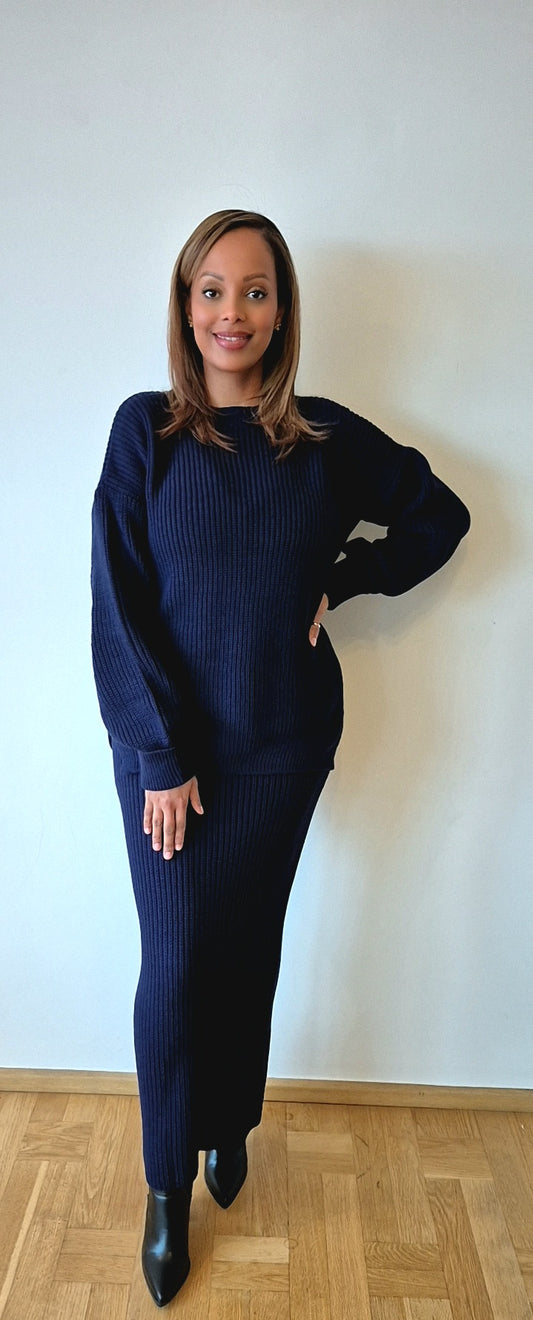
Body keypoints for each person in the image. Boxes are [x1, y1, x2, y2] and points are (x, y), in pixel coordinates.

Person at [90, 209, 470, 1307]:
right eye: (211, 290)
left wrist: (340, 581)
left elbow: (435, 519)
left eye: (253, 291)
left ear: (281, 308)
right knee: (174, 970)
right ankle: (167, 1188)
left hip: (281, 747)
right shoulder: (143, 433)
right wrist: (159, 754)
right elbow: (117, 605)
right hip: (166, 758)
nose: (231, 313)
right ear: (183, 304)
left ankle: (227, 1123)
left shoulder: (322, 439)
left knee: (247, 949)